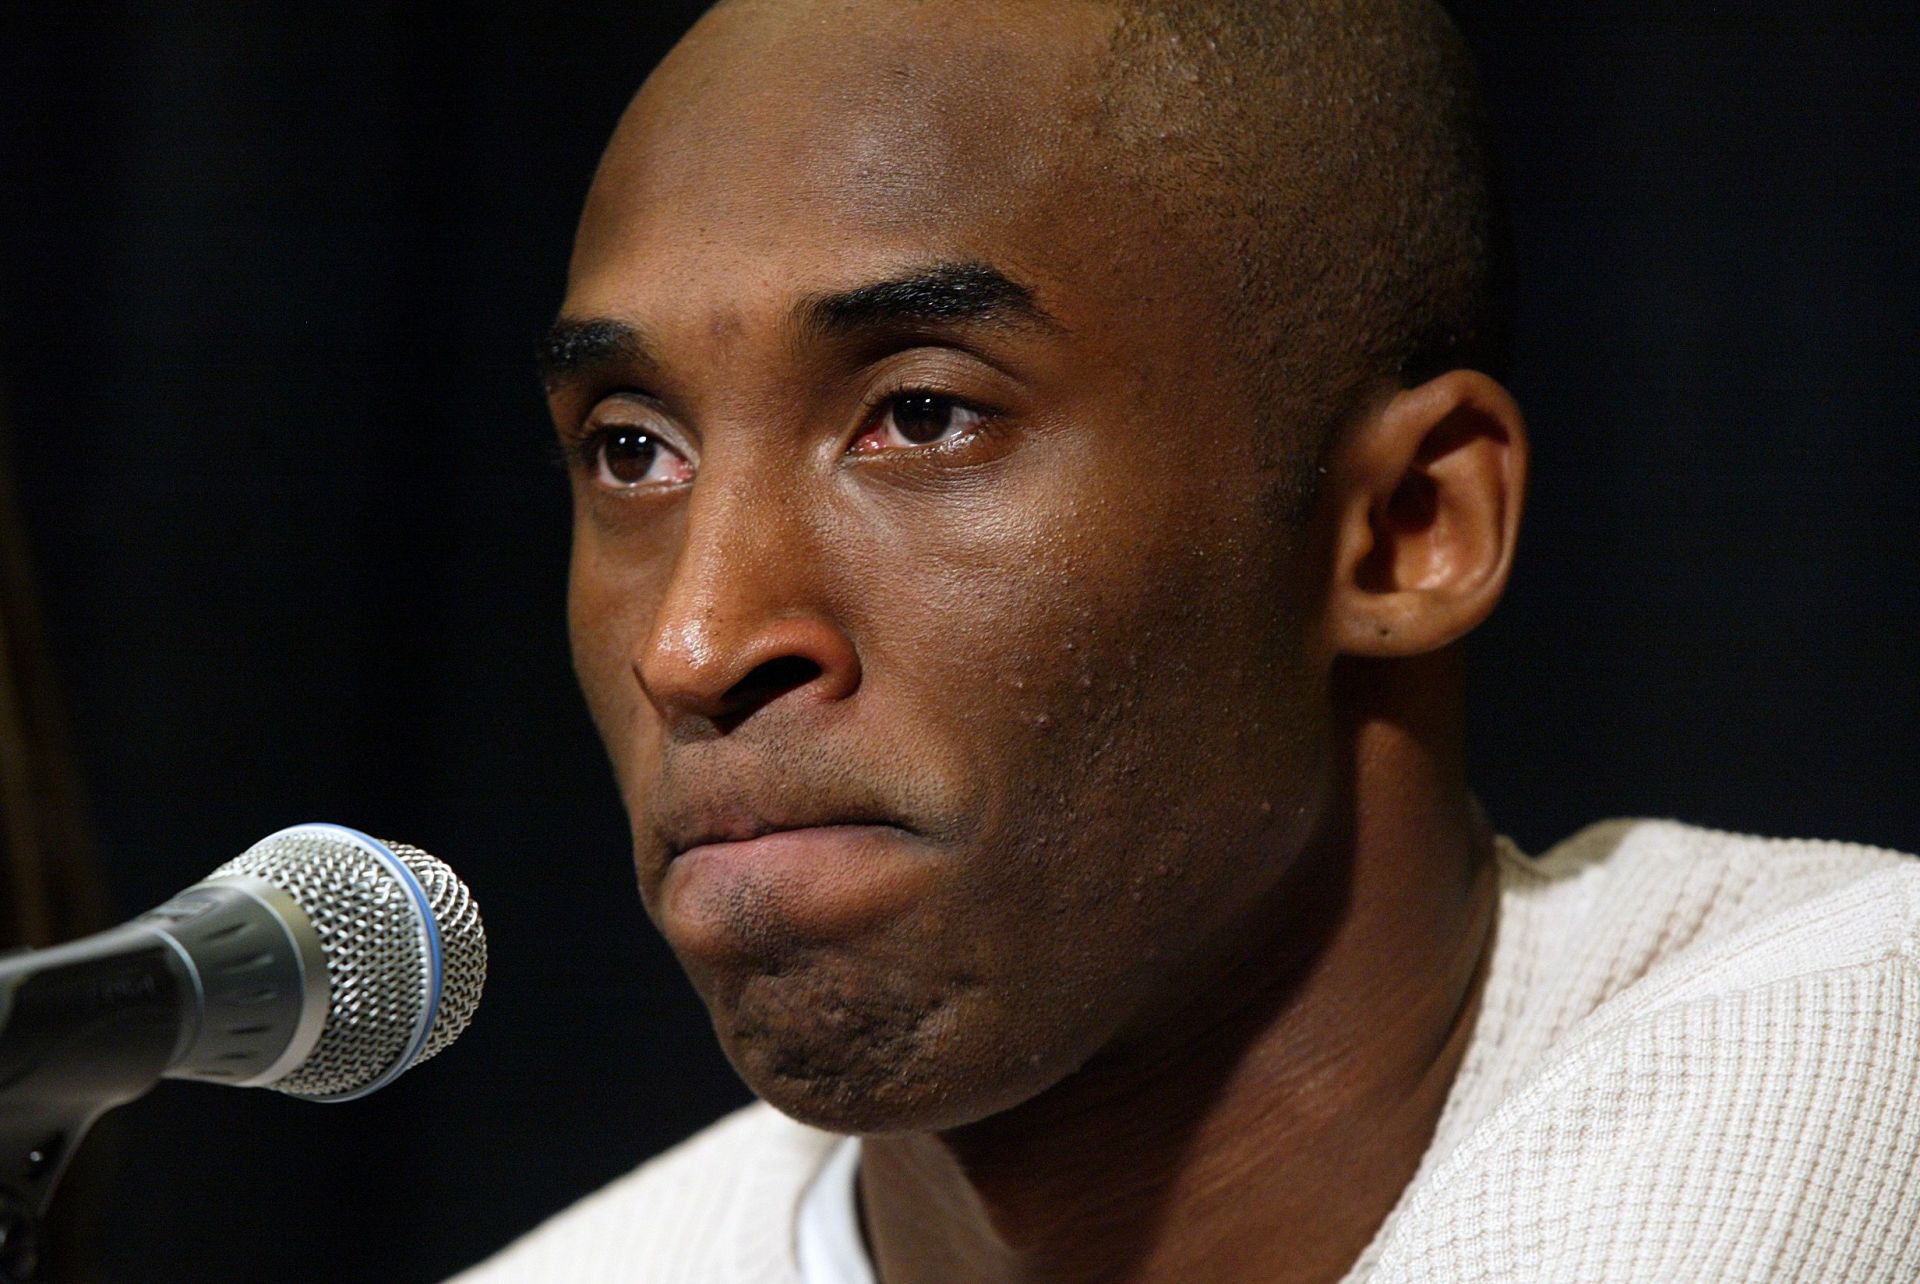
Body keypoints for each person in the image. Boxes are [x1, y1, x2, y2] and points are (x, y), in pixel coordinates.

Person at [455, 0, 1920, 1280]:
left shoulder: (1839, 1059)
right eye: (633, 451)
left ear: (1411, 524)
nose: (696, 641)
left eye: (922, 416)